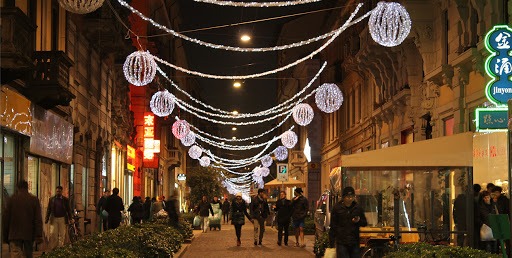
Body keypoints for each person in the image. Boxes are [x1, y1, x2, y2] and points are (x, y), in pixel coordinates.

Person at [3, 180, 43, 257]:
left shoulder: (11, 199)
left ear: (17, 187)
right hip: (29, 234)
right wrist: (38, 234)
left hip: (14, 234)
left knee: (15, 254)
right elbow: (38, 219)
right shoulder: (34, 200)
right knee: (28, 254)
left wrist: (5, 236)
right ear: (27, 187)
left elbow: (6, 219)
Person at [330, 186, 367, 258]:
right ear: (343, 197)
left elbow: (364, 223)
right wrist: (331, 242)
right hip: (341, 241)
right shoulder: (337, 208)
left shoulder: (358, 208)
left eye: (352, 196)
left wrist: (358, 220)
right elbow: (333, 226)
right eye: (348, 196)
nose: (350, 198)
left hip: (354, 241)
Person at [45, 185, 72, 250]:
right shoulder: (52, 199)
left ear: (61, 191)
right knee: (53, 234)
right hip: (54, 218)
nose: (58, 192)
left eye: (59, 191)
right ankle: (54, 248)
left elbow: (68, 209)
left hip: (62, 218)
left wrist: (70, 218)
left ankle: (60, 248)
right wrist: (47, 218)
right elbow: (49, 209)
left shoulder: (65, 200)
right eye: (57, 191)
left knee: (62, 234)